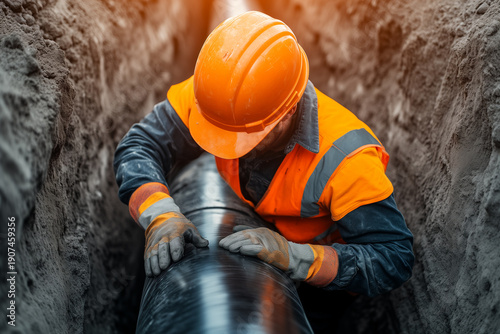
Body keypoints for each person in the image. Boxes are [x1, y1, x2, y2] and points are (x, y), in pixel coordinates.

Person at [114, 10, 414, 332]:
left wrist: (297, 257)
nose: (226, 147)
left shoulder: (345, 160)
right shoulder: (217, 97)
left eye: (241, 138)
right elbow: (141, 144)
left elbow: (392, 257)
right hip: (253, 232)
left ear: (288, 111)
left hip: (324, 288)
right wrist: (159, 215)